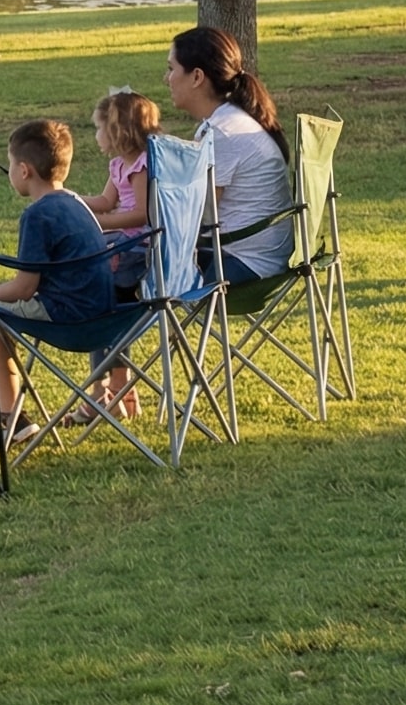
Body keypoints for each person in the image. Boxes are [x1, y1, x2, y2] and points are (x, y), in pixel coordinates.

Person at [0, 119, 115, 452]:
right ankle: (14, 418)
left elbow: (24, 289)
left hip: (68, 318)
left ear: (25, 170)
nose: (11, 171)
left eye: (11, 164)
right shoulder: (76, 202)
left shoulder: (38, 215)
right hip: (102, 314)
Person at [164, 25, 293, 283]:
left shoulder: (221, 132)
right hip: (261, 255)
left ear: (197, 77)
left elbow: (200, 215)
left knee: (133, 263)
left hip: (243, 264)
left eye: (171, 69)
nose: (166, 78)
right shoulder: (233, 120)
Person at [80, 89, 159, 416]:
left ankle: (101, 392)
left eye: (99, 128)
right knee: (109, 310)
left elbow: (143, 214)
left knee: (96, 301)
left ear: (117, 131)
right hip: (120, 243)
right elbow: (105, 201)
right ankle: (119, 390)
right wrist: (70, 200)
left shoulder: (140, 165)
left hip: (135, 249)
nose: (96, 135)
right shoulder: (118, 165)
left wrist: (102, 223)